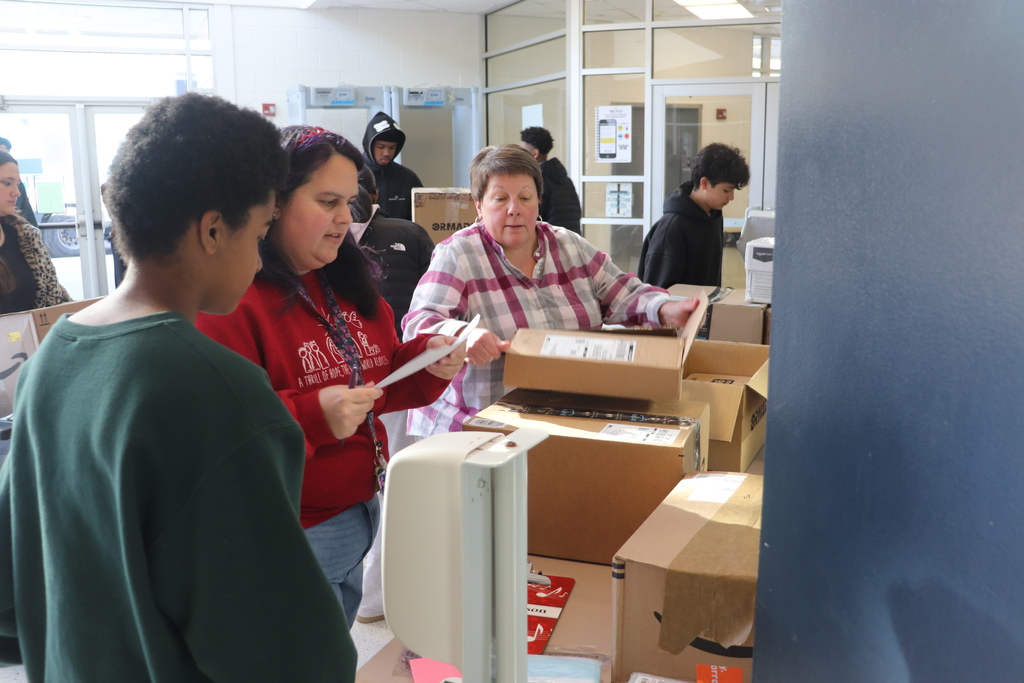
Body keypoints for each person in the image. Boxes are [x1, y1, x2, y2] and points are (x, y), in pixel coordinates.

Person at [0, 93, 359, 681]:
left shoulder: (53, 357)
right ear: (214, 230)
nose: (258, 256)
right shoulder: (217, 391)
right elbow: (289, 653)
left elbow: (12, 595)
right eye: (262, 229)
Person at [196, 125, 464, 628]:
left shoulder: (342, 278)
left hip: (358, 507)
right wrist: (312, 416)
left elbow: (375, 382)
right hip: (288, 526)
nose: (345, 218)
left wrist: (426, 360)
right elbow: (222, 429)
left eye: (350, 201)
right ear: (272, 204)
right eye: (326, 201)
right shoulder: (235, 298)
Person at [403, 144, 700, 438]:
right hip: (479, 428)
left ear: (538, 201)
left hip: (566, 419)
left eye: (525, 197)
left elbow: (622, 291)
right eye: (500, 199)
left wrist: (664, 308)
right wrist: (463, 337)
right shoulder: (459, 254)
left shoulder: (570, 246)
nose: (514, 209)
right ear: (479, 205)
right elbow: (419, 324)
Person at [348, 165, 435, 624]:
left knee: (388, 484)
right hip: (383, 382)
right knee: (391, 484)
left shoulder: (406, 236)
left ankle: (375, 595)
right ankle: (375, 595)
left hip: (392, 377)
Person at [638, 142, 750, 288]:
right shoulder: (671, 229)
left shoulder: (713, 215)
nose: (731, 197)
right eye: (726, 190)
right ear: (704, 183)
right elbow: (656, 295)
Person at [0, 150, 71, 314]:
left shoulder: (25, 237)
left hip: (28, 337)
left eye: (17, 184)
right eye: (6, 183)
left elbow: (55, 299)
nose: (17, 192)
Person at [519, 126, 582, 235]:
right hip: (569, 243)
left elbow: (532, 219)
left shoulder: (537, 182)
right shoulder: (564, 179)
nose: (519, 155)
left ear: (535, 154)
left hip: (550, 245)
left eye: (522, 151)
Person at [361, 112, 423, 221]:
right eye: (381, 147)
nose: (386, 153)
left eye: (392, 148)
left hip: (400, 237)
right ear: (370, 146)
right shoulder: (354, 174)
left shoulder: (408, 178)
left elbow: (422, 216)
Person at [0, 139, 37, 228]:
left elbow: (29, 218)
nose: (16, 193)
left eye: (7, 150)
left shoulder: (21, 233)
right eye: (7, 183)